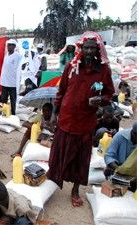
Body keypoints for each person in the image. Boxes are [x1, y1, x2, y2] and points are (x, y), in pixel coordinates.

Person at [47, 32, 115, 207]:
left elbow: (109, 93)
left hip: (85, 122)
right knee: (59, 154)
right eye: (87, 48)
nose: (90, 51)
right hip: (66, 119)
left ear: (98, 50)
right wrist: (55, 113)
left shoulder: (103, 70)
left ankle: (75, 190)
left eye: (93, 47)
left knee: (81, 158)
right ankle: (56, 181)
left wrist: (101, 99)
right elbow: (61, 91)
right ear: (81, 49)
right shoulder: (72, 66)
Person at [0, 39, 21, 115]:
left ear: (14, 46)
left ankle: (13, 114)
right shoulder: (6, 55)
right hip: (4, 81)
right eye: (8, 45)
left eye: (11, 45)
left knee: (13, 100)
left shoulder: (18, 56)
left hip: (13, 83)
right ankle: (5, 113)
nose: (9, 47)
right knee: (4, 99)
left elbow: (19, 70)